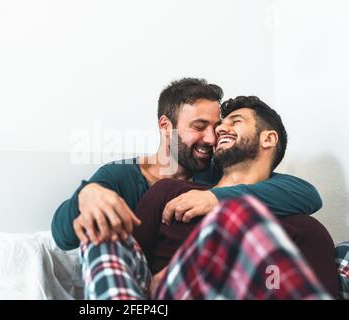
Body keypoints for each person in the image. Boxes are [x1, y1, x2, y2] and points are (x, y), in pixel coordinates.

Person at [79, 96, 333, 299]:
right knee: (101, 230)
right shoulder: (170, 191)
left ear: (268, 139)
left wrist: (217, 201)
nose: (220, 129)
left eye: (235, 121)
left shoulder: (304, 228)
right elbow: (130, 261)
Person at [51, 78, 322, 251]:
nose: (211, 137)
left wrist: (216, 198)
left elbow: (305, 194)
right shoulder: (122, 176)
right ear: (165, 126)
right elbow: (63, 237)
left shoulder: (216, 173)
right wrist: (86, 195)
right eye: (199, 127)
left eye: (216, 127)